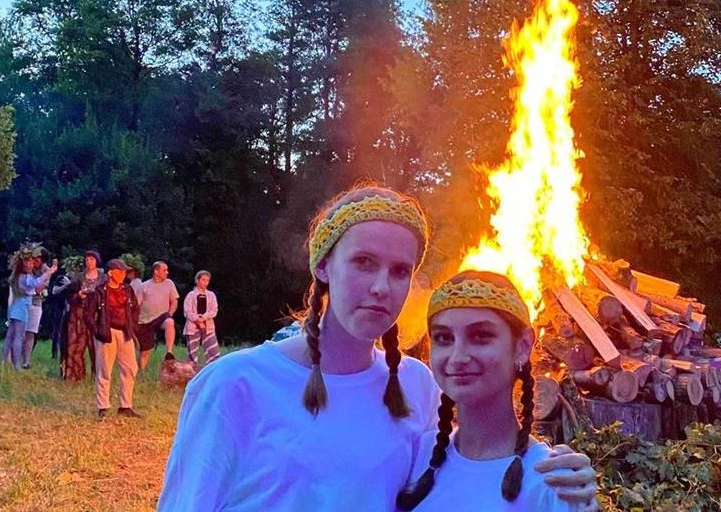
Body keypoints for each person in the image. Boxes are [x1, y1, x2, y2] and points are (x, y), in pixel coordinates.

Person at [158, 184, 596, 511]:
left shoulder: (417, 386)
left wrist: (554, 470)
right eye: (364, 262)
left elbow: (465, 473)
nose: (381, 287)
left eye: (400, 270)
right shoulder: (235, 385)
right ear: (324, 265)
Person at [398, 270, 578, 511]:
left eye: (481, 336)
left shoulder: (551, 483)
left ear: (523, 346)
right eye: (443, 338)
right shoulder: (416, 457)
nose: (457, 357)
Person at [88, 258, 141, 418]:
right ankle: (103, 406)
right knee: (104, 370)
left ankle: (125, 406)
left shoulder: (127, 290)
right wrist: (98, 332)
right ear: (111, 273)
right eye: (120, 271)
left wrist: (132, 326)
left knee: (130, 368)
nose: (124, 274)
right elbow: (88, 315)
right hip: (107, 333)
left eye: (125, 271)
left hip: (125, 332)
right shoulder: (99, 291)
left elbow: (135, 309)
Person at [1, 246, 58, 370]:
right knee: (19, 336)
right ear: (25, 264)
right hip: (21, 309)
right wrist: (50, 271)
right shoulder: (25, 277)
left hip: (15, 308)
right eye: (30, 262)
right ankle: (17, 364)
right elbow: (36, 284)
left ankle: (3, 362)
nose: (32, 264)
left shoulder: (18, 276)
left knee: (10, 336)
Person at [62, 250, 105, 381]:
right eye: (87, 259)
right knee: (75, 345)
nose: (89, 262)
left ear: (97, 261)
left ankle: (98, 376)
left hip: (96, 315)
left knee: (96, 347)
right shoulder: (79, 277)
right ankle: (75, 375)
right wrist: (78, 295)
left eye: (91, 259)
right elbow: (69, 295)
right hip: (78, 315)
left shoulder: (103, 278)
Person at [135, 260, 179, 370]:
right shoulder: (144, 286)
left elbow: (174, 302)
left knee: (169, 322)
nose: (167, 272)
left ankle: (169, 352)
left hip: (162, 317)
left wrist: (169, 314)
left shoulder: (169, 283)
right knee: (145, 352)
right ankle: (142, 372)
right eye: (164, 270)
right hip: (145, 321)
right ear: (156, 271)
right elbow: (136, 305)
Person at [182, 270, 220, 366]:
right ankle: (192, 371)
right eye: (203, 280)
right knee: (192, 353)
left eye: (207, 280)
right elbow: (187, 311)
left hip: (208, 326)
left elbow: (214, 310)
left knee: (213, 351)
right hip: (193, 326)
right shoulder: (191, 295)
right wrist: (198, 320)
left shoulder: (211, 295)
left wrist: (203, 318)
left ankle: (212, 370)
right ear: (197, 280)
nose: (205, 283)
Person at [47, 266, 73, 360]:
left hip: (71, 308)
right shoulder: (61, 278)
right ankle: (54, 353)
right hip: (60, 307)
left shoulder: (76, 280)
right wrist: (65, 286)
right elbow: (54, 291)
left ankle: (68, 352)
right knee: (57, 330)